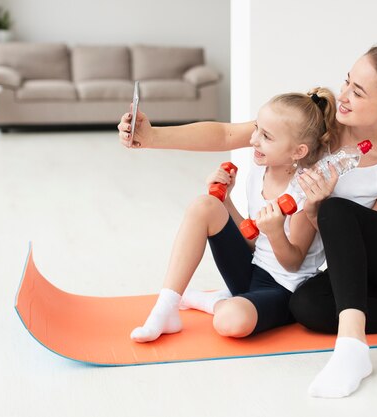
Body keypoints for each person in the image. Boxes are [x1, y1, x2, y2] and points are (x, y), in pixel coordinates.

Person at [118, 45, 377, 399]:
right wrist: (150, 137)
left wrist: (316, 209)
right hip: (345, 265)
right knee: (306, 306)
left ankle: (353, 349)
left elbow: (360, 242)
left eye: (359, 92)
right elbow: (226, 133)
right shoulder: (318, 125)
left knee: (335, 210)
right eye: (347, 81)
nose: (345, 95)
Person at [129, 88, 337, 343]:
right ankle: (166, 307)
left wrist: (274, 232)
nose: (253, 140)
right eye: (257, 129)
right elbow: (253, 239)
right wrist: (226, 201)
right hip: (251, 271)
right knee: (205, 205)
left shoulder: (304, 192)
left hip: (283, 290)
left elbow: (293, 263)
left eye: (267, 137)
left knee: (229, 321)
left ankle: (215, 301)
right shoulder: (258, 173)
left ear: (298, 152)